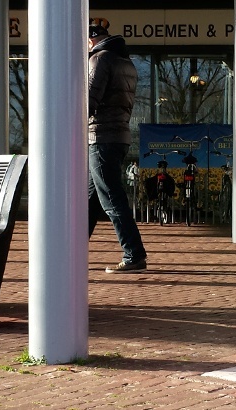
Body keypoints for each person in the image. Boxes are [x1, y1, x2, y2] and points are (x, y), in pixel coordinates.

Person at [87, 24, 147, 273]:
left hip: (101, 136)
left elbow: (89, 99)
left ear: (91, 40)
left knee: (111, 198)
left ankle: (134, 254)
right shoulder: (125, 62)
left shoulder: (100, 59)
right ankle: (72, 251)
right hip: (118, 135)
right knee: (89, 201)